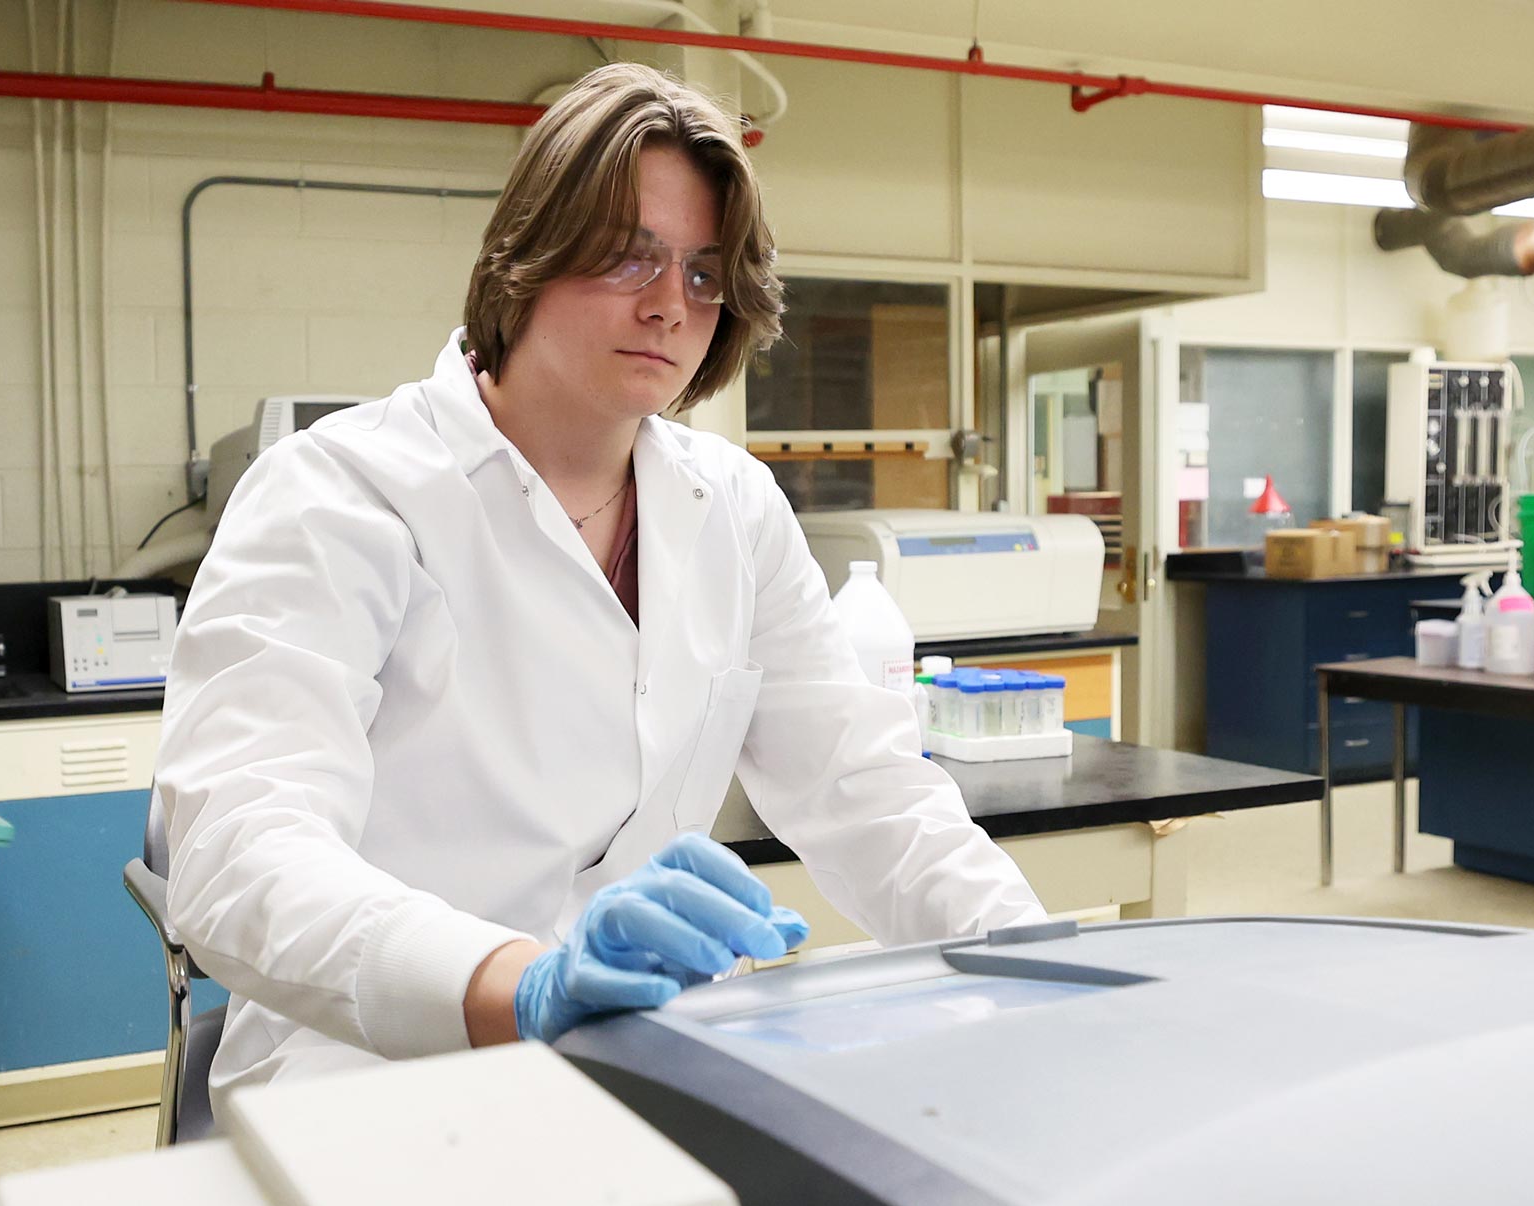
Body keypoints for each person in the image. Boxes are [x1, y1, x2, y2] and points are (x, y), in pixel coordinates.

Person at [153, 62, 1046, 1107]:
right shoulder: (340, 494)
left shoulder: (735, 509)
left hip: (645, 1051)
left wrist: (1034, 966)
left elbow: (865, 791)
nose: (671, 304)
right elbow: (235, 851)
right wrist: (513, 983)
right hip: (370, 1075)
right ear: (525, 257)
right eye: (629, 257)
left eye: (703, 273)